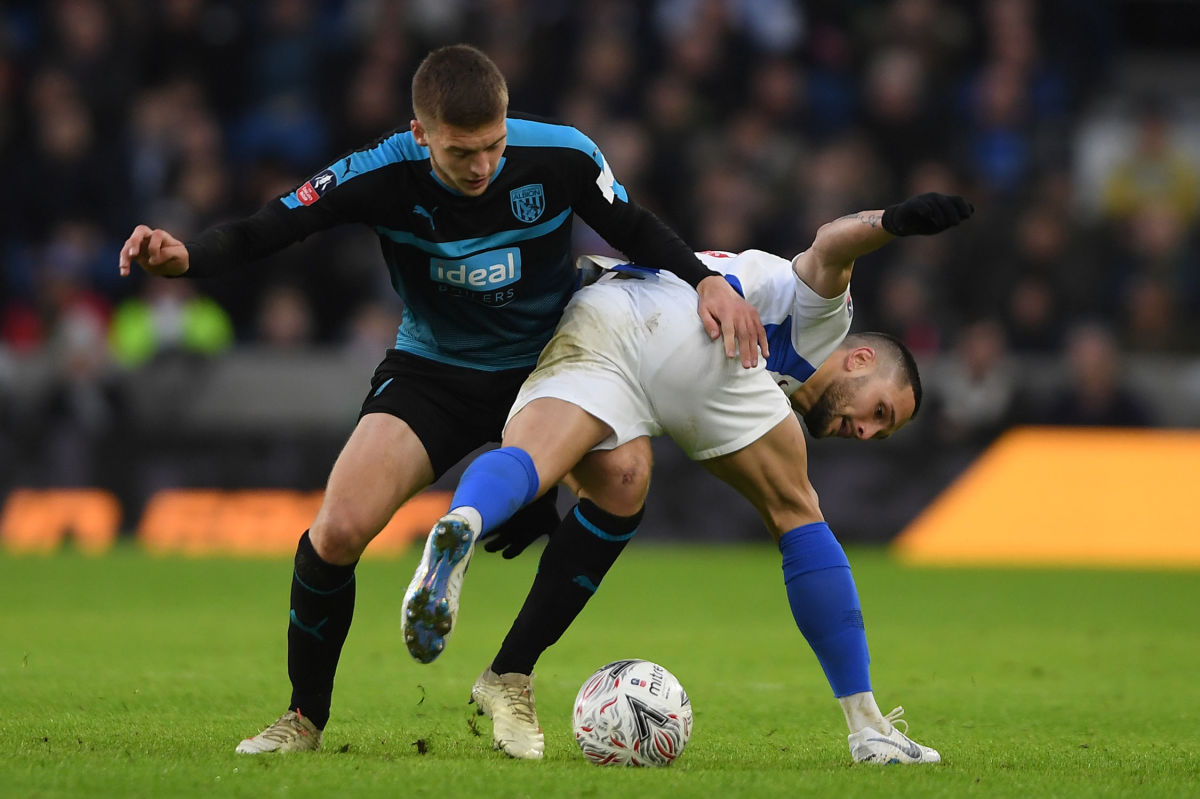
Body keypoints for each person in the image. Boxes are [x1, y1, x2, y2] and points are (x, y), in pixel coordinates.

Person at [117, 44, 766, 755]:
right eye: (462, 152)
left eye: (493, 145)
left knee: (627, 479)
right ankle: (303, 717)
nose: (483, 165)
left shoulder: (563, 156)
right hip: (436, 370)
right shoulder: (379, 172)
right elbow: (272, 226)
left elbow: (634, 225)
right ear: (421, 134)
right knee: (335, 532)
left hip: (554, 366)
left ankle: (510, 674)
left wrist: (702, 278)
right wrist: (187, 259)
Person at [402, 192, 974, 763]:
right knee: (796, 511)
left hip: (604, 310)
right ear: (861, 361)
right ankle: (869, 728)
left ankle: (467, 539)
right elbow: (833, 243)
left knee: (613, 485)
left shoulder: (777, 353)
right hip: (701, 327)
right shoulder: (824, 321)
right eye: (880, 412)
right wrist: (893, 223)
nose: (868, 432)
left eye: (883, 432)